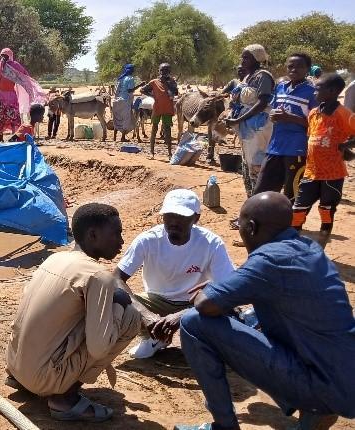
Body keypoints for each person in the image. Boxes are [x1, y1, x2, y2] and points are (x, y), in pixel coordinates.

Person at [174, 192, 355, 430]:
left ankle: (225, 426)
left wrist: (206, 292)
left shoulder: (269, 261)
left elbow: (205, 305)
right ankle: (316, 410)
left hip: (321, 384)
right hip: (344, 377)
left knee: (193, 322)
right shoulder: (309, 249)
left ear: (251, 227)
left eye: (239, 225)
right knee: (257, 318)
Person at [5, 203, 140, 423]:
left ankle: (26, 380)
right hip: (43, 379)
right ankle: (65, 399)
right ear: (93, 235)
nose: (121, 241)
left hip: (16, 366)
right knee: (131, 317)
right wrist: (118, 307)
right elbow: (98, 348)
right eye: (116, 233)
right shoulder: (98, 276)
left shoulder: (55, 258)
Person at [114, 189, 234, 359]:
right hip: (157, 300)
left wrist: (183, 315)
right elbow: (116, 278)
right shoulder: (148, 240)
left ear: (196, 218)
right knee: (115, 304)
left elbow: (229, 286)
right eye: (169, 215)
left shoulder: (211, 243)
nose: (174, 222)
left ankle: (202, 341)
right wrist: (147, 316)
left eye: (182, 217)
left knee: (228, 309)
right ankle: (153, 336)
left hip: (197, 303)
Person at [291, 73, 355, 247]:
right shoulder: (313, 113)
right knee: (298, 210)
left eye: (318, 88)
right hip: (311, 171)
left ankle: (320, 248)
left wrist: (345, 145)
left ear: (333, 91)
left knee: (326, 211)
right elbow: (312, 138)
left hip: (332, 174)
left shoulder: (344, 114)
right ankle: (291, 247)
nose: (314, 92)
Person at [253, 53, 317, 201]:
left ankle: (290, 223)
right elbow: (274, 112)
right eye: (290, 66)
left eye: (299, 66)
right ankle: (258, 220)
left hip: (297, 149)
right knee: (262, 188)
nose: (294, 69)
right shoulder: (281, 87)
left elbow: (316, 124)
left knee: (291, 193)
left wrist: (288, 117)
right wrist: (273, 115)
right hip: (275, 146)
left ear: (307, 69)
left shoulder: (312, 92)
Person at [224, 45, 275, 198]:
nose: (243, 60)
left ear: (256, 58)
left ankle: (258, 208)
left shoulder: (263, 76)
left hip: (258, 128)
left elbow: (262, 103)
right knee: (248, 165)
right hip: (246, 129)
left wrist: (239, 119)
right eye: (243, 57)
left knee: (256, 166)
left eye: (246, 57)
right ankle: (251, 204)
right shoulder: (248, 77)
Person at [0, 48, 49, 142]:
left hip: (3, 95)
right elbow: (25, 75)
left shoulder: (1, 65)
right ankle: (11, 136)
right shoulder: (12, 65)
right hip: (10, 95)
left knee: (4, 116)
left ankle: (5, 137)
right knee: (11, 116)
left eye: (3, 55)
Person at [141, 63, 178, 157]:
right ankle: (151, 152)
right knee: (154, 129)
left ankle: (170, 153)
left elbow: (176, 92)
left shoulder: (172, 82)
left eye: (166, 71)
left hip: (167, 109)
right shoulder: (154, 82)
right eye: (162, 71)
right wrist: (153, 96)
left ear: (169, 72)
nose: (163, 73)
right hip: (157, 108)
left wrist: (168, 84)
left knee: (167, 130)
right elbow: (142, 90)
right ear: (159, 71)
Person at [112, 64, 139, 142]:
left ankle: (114, 137)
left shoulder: (120, 78)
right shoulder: (130, 78)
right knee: (125, 119)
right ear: (132, 70)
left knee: (117, 119)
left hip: (116, 101)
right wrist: (140, 85)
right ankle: (123, 137)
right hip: (125, 101)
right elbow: (130, 90)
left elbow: (116, 91)